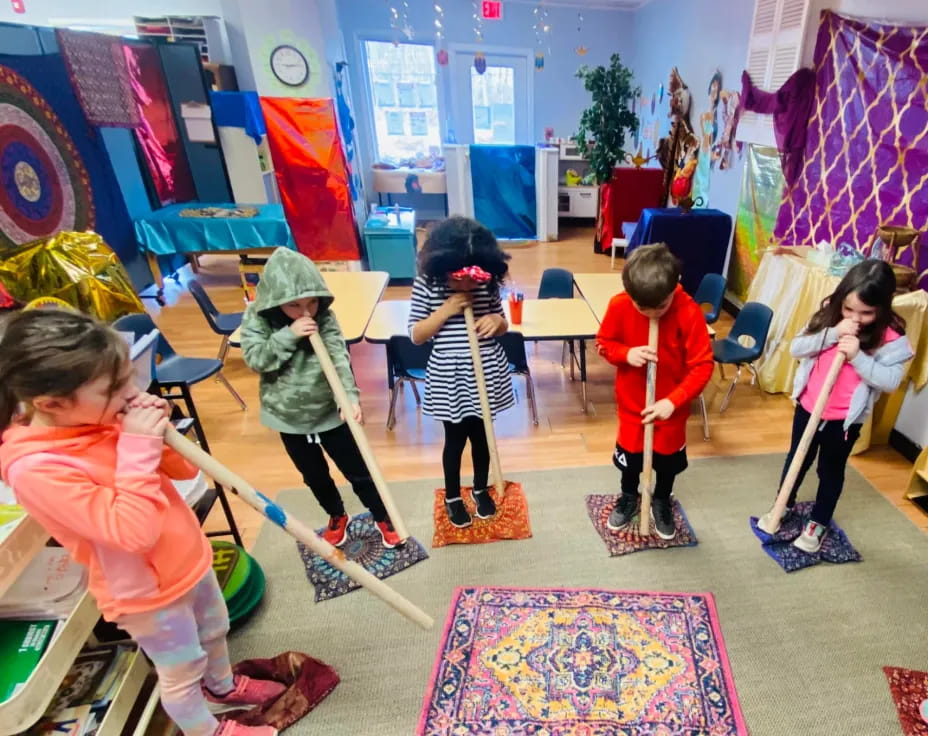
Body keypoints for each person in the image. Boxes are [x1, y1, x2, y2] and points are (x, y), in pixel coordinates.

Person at [0, 309, 283, 736]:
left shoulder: (95, 418)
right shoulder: (37, 469)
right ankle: (209, 730)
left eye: (128, 376)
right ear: (51, 404)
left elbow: (186, 474)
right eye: (114, 388)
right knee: (182, 669)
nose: (130, 392)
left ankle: (223, 690)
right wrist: (135, 445)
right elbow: (131, 533)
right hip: (148, 594)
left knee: (215, 627)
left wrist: (160, 433)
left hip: (186, 560)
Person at [240, 248, 400, 549]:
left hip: (328, 409)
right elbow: (256, 359)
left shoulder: (324, 316)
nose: (306, 310)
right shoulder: (257, 318)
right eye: (295, 304)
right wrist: (289, 334)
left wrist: (349, 397)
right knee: (314, 476)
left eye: (312, 301)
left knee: (358, 470)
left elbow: (339, 355)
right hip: (288, 416)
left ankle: (382, 515)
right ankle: (336, 514)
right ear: (276, 301)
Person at [775, 259, 912, 552]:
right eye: (849, 309)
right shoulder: (828, 318)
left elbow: (890, 381)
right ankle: (783, 503)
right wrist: (833, 333)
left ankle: (818, 522)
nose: (855, 318)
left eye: (866, 313)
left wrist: (859, 357)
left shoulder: (892, 339)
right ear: (840, 298)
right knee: (797, 459)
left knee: (831, 470)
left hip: (843, 422)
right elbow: (797, 347)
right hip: (809, 407)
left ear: (882, 308)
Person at [596, 243, 713, 540]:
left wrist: (673, 402)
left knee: (667, 461)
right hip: (633, 406)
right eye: (643, 309)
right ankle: (628, 496)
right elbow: (604, 343)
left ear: (675, 287)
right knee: (630, 459)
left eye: (660, 308)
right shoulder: (619, 305)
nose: (652, 315)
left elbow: (702, 366)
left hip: (671, 410)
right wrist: (625, 353)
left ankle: (661, 499)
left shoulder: (688, 312)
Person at [409, 217, 514, 528]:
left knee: (482, 438)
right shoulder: (428, 285)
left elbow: (503, 322)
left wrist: (498, 323)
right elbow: (416, 334)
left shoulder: (486, 285)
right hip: (450, 377)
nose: (469, 286)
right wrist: (445, 310)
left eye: (475, 279)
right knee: (454, 440)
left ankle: (481, 488)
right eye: (460, 279)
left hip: (486, 372)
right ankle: (453, 495)